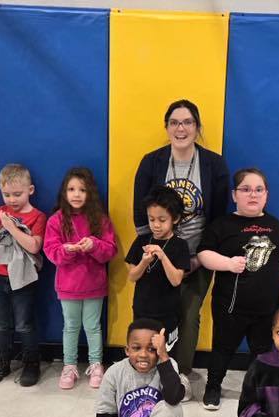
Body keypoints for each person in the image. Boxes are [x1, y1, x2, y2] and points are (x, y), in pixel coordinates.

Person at [132, 99, 231, 400]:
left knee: (188, 314)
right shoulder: (151, 162)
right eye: (174, 122)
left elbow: (218, 216)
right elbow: (140, 212)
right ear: (167, 127)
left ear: (197, 127)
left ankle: (181, 373)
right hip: (159, 254)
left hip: (197, 255)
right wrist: (151, 251)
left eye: (188, 122)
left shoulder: (214, 165)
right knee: (155, 312)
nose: (181, 128)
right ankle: (148, 370)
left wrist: (200, 256)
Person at [197, 168, 279, 410]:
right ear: (234, 195)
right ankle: (213, 386)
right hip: (230, 306)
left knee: (262, 352)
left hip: (267, 307)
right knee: (222, 348)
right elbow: (203, 254)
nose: (253, 194)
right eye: (246, 189)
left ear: (266, 195)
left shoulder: (275, 226)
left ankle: (255, 390)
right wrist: (227, 263)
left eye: (259, 190)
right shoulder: (222, 225)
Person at [43, 167, 117, 390]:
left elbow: (110, 250)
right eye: (71, 189)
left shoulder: (100, 219)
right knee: (71, 326)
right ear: (64, 192)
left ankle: (96, 365)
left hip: (94, 285)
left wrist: (94, 245)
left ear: (90, 193)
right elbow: (51, 251)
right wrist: (66, 250)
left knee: (93, 326)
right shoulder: (56, 220)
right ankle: (69, 366)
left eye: (82, 190)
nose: (76, 194)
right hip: (68, 286)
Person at [0, 164, 47, 386]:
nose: (12, 199)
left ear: (30, 190)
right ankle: (1, 361)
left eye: (17, 194)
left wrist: (12, 227)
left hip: (23, 278)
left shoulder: (37, 216)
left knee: (24, 324)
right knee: (2, 323)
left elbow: (34, 246)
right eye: (6, 194)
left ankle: (31, 362)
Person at [126, 185, 191, 352]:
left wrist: (162, 256)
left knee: (165, 352)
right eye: (151, 219)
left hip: (168, 313)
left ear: (175, 219)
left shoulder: (180, 245)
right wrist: (144, 262)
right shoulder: (141, 241)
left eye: (162, 220)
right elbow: (132, 276)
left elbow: (176, 280)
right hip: (142, 309)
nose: (156, 225)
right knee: (143, 350)